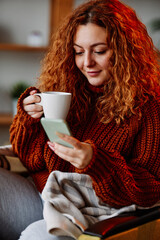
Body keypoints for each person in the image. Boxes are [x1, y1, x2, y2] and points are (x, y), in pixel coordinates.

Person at [0, 0, 160, 239]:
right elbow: (32, 161)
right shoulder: (67, 89)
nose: (86, 63)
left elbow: (151, 191)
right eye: (78, 51)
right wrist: (28, 119)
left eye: (99, 51)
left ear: (125, 51)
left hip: (94, 212)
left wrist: (95, 161)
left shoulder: (148, 107)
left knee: (37, 235)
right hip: (44, 195)